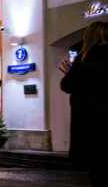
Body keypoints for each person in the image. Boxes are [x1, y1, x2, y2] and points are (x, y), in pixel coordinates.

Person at [59, 22, 108, 187]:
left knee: (97, 173)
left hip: (91, 126)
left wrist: (70, 72)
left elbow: (67, 85)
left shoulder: (85, 58)